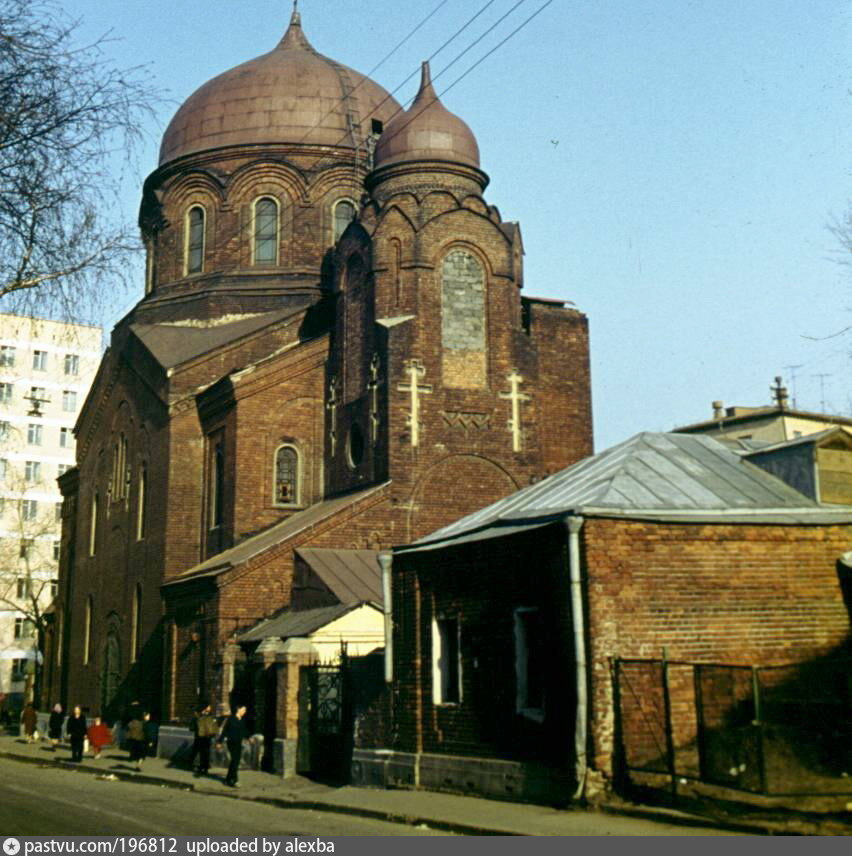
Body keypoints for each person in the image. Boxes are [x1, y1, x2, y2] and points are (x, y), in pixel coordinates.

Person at [216, 704, 250, 788]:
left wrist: (248, 737)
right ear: (238, 710)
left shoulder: (241, 719)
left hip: (238, 742)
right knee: (235, 760)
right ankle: (234, 780)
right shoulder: (231, 719)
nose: (245, 712)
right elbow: (224, 731)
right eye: (243, 710)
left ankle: (228, 779)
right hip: (231, 743)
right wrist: (219, 742)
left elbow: (244, 730)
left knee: (235, 761)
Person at [193, 704, 217, 776]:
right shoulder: (199, 715)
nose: (209, 708)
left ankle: (205, 767)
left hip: (207, 737)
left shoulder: (210, 715)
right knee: (202, 753)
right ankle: (202, 766)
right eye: (208, 706)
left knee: (206, 752)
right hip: (200, 737)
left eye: (210, 706)